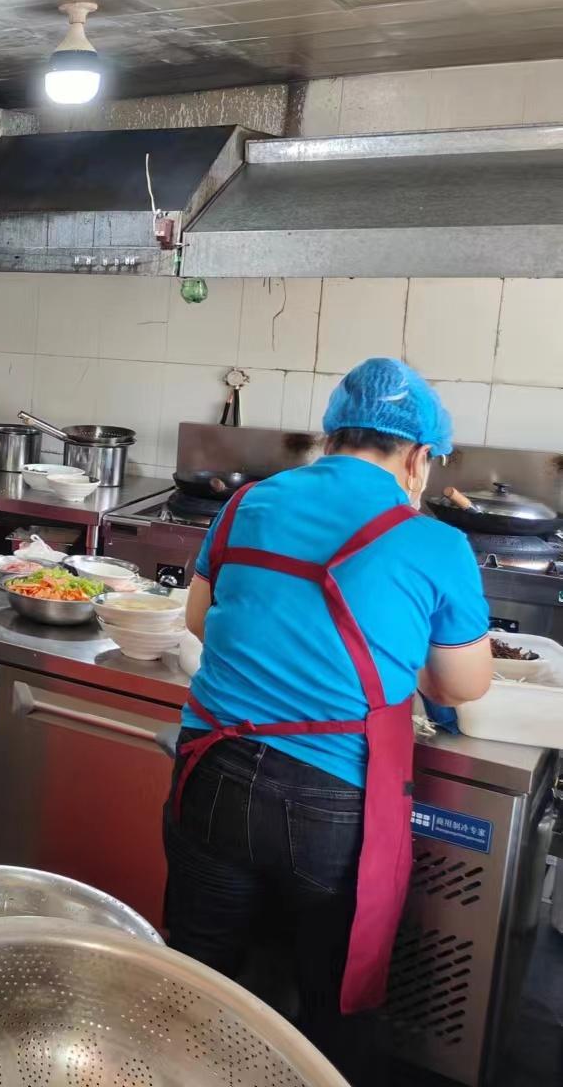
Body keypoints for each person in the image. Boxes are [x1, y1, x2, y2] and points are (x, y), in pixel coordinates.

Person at [164, 357, 493, 1083]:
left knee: (197, 977)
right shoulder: (435, 542)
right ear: (418, 457)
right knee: (329, 1004)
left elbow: (199, 618)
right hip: (332, 800)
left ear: (333, 433)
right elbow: (464, 684)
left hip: (211, 770)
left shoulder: (249, 502)